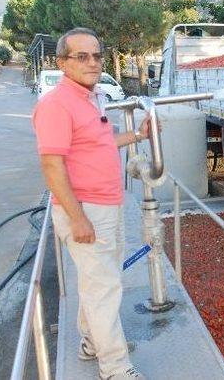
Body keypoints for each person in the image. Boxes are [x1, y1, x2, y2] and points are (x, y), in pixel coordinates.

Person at [32, 27, 151, 380]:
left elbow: (99, 143)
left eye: (97, 55)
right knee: (105, 288)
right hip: (85, 211)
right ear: (62, 62)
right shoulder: (55, 105)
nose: (93, 62)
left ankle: (91, 343)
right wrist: (78, 218)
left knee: (99, 282)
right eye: (81, 56)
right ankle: (114, 368)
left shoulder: (93, 96)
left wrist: (138, 135)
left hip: (106, 207)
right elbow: (52, 165)